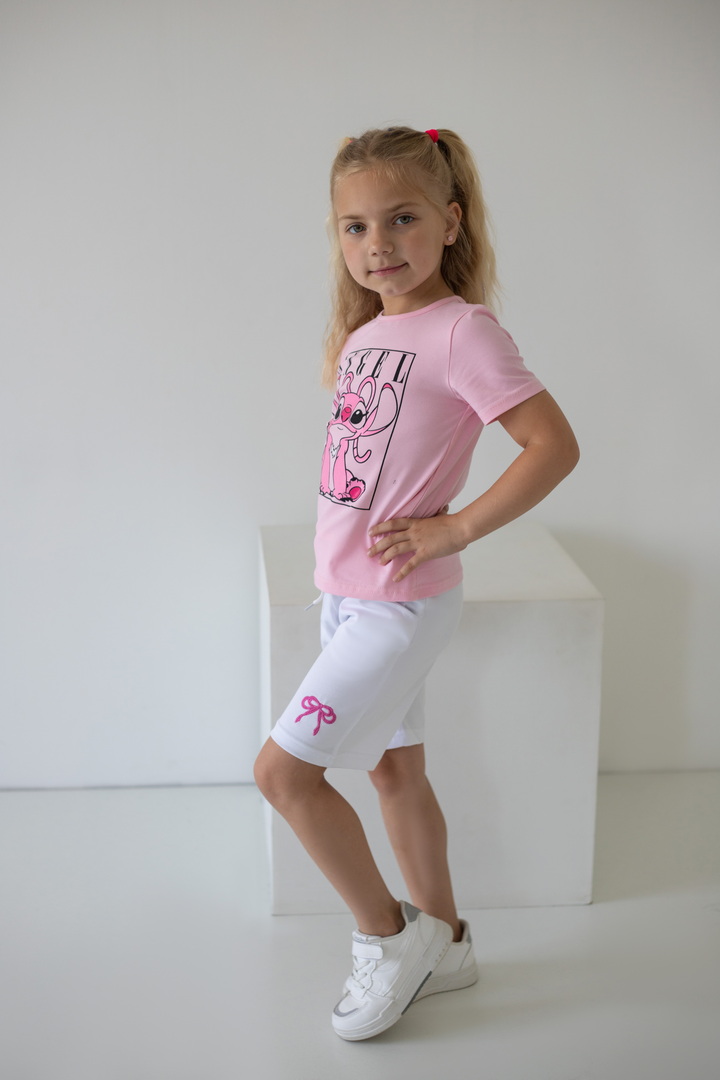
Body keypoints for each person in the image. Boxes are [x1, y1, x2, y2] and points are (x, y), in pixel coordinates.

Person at [254, 125, 579, 1041]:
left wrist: (456, 527)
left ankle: (388, 938)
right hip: (349, 598)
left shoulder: (463, 331)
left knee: (282, 775)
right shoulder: (369, 334)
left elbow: (552, 445)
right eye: (355, 226)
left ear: (451, 220)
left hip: (397, 607)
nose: (378, 244)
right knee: (396, 772)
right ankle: (451, 941)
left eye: (402, 219)